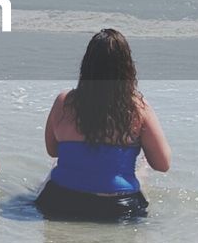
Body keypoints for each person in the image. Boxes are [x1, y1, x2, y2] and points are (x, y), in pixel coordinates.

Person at [37, 28, 171, 221]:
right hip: (117, 208)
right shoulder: (138, 107)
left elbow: (53, 151)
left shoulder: (64, 101)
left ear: (87, 65)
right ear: (127, 67)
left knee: (53, 171)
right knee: (141, 171)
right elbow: (162, 164)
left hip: (61, 201)